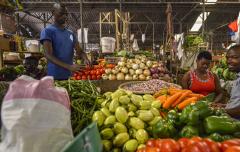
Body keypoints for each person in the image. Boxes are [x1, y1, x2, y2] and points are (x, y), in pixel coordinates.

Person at [40, 3, 90, 80]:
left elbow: (80, 51)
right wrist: (69, 67)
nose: (65, 16)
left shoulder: (70, 33)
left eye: (66, 14)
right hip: (54, 77)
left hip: (70, 76)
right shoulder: (47, 31)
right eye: (61, 13)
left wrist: (85, 58)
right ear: (53, 12)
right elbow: (48, 55)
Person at [225, 44, 240, 118]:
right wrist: (225, 106)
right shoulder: (237, 77)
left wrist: (222, 110)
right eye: (227, 58)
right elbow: (237, 102)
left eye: (234, 57)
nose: (229, 61)